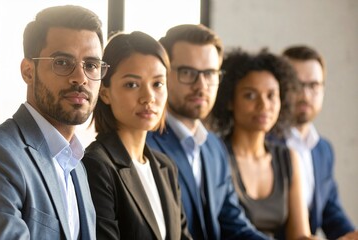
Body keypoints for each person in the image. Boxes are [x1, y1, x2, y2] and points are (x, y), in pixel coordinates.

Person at [0, 5, 107, 239]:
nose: (80, 78)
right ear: (28, 71)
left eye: (91, 65)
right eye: (62, 62)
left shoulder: (75, 166)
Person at [146, 24, 269, 240]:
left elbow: (234, 225)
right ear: (163, 74)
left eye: (210, 73)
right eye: (187, 72)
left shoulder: (214, 146)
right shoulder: (145, 145)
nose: (201, 85)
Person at [82, 31, 192, 240]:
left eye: (158, 84)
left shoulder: (166, 167)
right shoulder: (96, 166)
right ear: (105, 92)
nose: (148, 97)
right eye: (132, 84)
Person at [206, 48, 314, 239]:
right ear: (229, 101)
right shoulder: (214, 155)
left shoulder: (288, 157)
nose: (263, 106)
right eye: (250, 95)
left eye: (271, 95)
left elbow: (300, 235)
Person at [281, 45, 357, 239]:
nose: (305, 95)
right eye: (296, 85)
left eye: (314, 85)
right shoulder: (262, 144)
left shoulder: (323, 150)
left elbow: (331, 212)